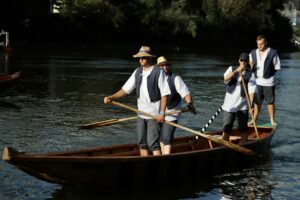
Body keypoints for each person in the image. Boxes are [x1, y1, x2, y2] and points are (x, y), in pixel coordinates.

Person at [103, 46, 170, 156]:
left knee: (153, 143)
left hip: (154, 115)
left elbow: (164, 95)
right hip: (141, 114)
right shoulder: (137, 72)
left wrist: (162, 113)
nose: (141, 60)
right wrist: (112, 97)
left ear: (149, 58)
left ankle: (157, 167)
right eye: (139, 58)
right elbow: (125, 89)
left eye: (143, 57)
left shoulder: (159, 72)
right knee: (142, 143)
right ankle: (144, 165)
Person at [157, 56, 196, 154]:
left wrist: (190, 104)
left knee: (166, 137)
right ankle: (161, 156)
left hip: (172, 112)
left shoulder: (176, 78)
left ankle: (166, 158)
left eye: (167, 65)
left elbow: (186, 93)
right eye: (162, 65)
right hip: (157, 112)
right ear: (158, 67)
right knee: (159, 137)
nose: (165, 67)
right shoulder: (155, 78)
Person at [221, 53, 256, 144]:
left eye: (245, 61)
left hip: (243, 105)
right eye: (242, 60)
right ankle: (224, 145)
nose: (243, 62)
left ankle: (244, 143)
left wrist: (251, 106)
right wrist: (236, 71)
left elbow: (252, 92)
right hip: (229, 105)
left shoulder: (250, 74)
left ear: (248, 62)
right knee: (227, 127)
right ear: (239, 61)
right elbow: (225, 79)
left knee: (243, 128)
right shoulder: (231, 69)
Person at [249, 35, 281, 126]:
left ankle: (272, 120)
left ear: (265, 43)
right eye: (258, 44)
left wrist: (271, 76)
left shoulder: (272, 52)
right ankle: (254, 120)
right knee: (257, 102)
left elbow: (277, 67)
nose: (259, 46)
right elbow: (249, 66)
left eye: (261, 44)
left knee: (270, 102)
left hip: (269, 82)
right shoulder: (253, 53)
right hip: (257, 81)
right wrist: (251, 66)